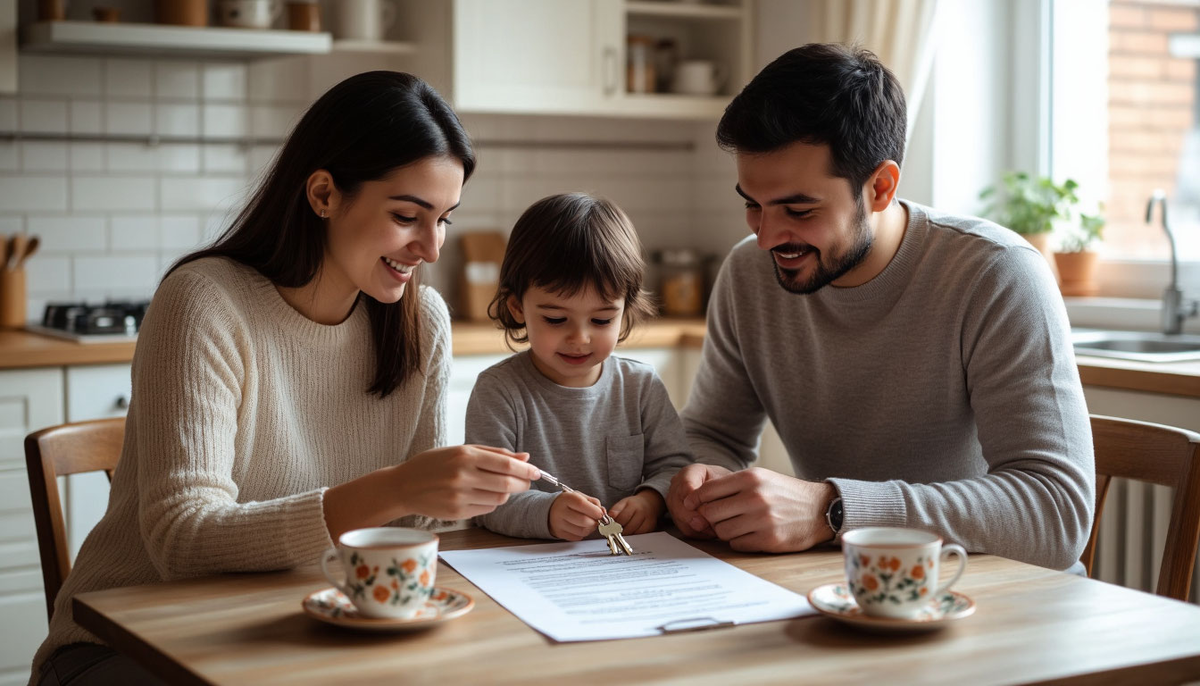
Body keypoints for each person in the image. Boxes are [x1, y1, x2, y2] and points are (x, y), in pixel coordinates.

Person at [31, 72, 541, 685]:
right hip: (124, 649)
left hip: (307, 630)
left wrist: (484, 494)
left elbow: (416, 528)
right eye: (408, 216)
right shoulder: (206, 303)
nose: (430, 248)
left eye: (445, 220)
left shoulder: (419, 320)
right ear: (324, 193)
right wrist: (401, 488)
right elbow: (181, 540)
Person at [665, 43, 1094, 570]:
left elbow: (1057, 513)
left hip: (997, 598)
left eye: (798, 209)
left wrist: (834, 509)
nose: (766, 237)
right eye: (753, 205)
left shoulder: (997, 275)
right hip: (846, 584)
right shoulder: (749, 275)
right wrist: (698, 479)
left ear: (880, 187)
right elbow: (714, 434)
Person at [466, 193, 693, 541]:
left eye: (602, 320)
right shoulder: (499, 391)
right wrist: (547, 513)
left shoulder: (641, 386)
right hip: (530, 569)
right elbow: (485, 499)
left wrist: (650, 501)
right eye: (556, 319)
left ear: (625, 310)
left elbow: (674, 469)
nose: (580, 338)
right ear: (516, 308)